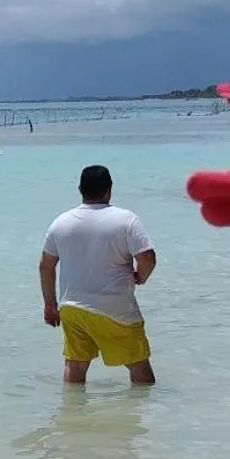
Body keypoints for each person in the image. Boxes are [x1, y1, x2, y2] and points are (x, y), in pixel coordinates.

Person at [40, 165, 156, 387]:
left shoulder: (60, 223)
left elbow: (46, 266)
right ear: (109, 189)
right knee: (139, 368)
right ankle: (142, 415)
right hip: (115, 308)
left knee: (75, 364)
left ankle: (72, 416)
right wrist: (140, 276)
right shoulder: (126, 219)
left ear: (80, 189)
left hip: (72, 307)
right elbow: (148, 258)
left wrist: (50, 305)